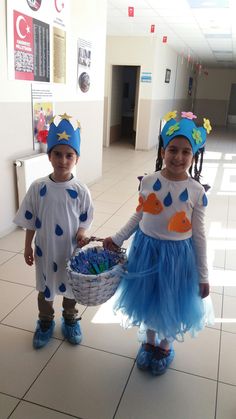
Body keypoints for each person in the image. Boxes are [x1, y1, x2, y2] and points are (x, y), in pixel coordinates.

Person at [103, 110, 214, 376]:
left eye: (186, 152)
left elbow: (199, 235)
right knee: (148, 300)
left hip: (177, 258)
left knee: (171, 302)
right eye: (173, 149)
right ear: (163, 149)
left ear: (194, 155)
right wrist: (117, 238)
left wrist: (203, 275)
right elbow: (140, 214)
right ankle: (149, 342)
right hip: (146, 251)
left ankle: (165, 345)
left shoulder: (197, 193)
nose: (178, 157)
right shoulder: (150, 182)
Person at [14, 113, 94, 349]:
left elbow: (85, 218)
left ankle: (70, 319)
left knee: (71, 286)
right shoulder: (38, 187)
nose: (63, 160)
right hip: (46, 250)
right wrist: (27, 245)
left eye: (69, 155)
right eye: (57, 154)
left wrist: (81, 232)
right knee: (45, 286)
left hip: (69, 250)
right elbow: (30, 219)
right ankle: (46, 321)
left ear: (76, 159)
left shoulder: (80, 190)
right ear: (49, 156)